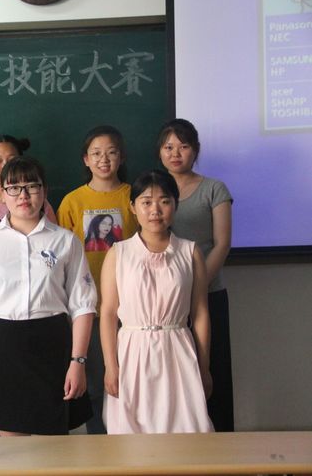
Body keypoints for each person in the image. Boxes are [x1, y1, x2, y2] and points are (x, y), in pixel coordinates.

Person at [0, 156, 96, 436]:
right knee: (13, 445)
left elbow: (83, 306)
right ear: (3, 194)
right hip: (2, 347)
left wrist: (78, 362)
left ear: (44, 191)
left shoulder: (66, 241)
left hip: (52, 345)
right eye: (14, 188)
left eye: (32, 186)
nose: (23, 195)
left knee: (54, 444)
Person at [100, 169, 213, 434]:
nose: (155, 210)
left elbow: (200, 313)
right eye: (146, 202)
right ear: (133, 207)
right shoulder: (118, 253)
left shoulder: (190, 252)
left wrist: (204, 366)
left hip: (178, 352)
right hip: (132, 353)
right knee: (131, 436)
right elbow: (108, 313)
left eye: (164, 201)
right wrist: (110, 366)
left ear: (175, 205)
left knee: (187, 431)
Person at [55, 125, 137, 434]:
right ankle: (100, 444)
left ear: (122, 157)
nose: (104, 159)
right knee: (95, 385)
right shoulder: (72, 202)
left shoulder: (134, 196)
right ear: (85, 160)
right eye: (96, 153)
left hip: (129, 307)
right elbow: (60, 257)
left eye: (111, 152)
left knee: (128, 381)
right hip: (87, 308)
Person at [157, 118, 234, 432]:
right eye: (168, 147)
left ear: (196, 150)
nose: (175, 153)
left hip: (208, 295)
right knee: (173, 380)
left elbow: (222, 244)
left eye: (183, 146)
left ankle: (222, 446)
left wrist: (195, 288)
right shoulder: (153, 190)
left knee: (211, 372)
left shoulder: (214, 189)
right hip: (165, 303)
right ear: (159, 152)